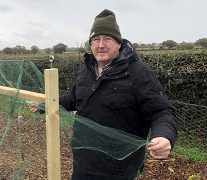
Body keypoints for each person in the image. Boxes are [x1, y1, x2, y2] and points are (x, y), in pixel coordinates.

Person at [28, 9, 177, 180]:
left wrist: (164, 135)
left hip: (119, 170)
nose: (101, 45)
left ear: (119, 43)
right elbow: (73, 100)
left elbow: (162, 111)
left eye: (107, 39)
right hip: (83, 163)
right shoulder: (87, 70)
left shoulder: (138, 73)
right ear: (90, 44)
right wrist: (44, 105)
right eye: (96, 39)